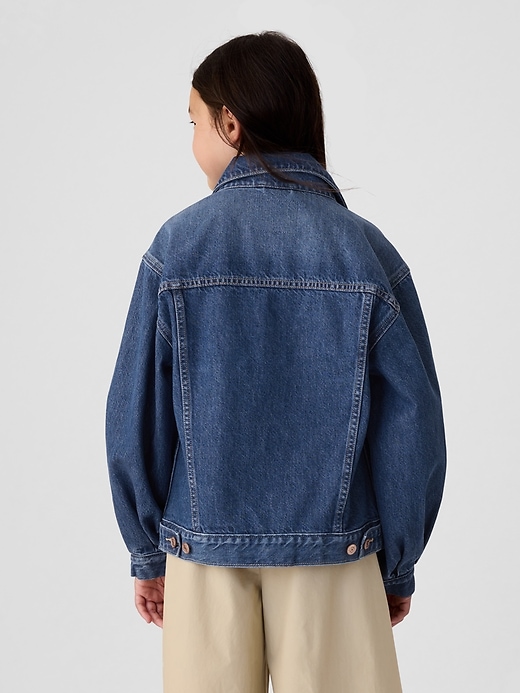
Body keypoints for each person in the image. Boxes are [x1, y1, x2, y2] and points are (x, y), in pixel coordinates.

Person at [106, 31, 446, 693]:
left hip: (203, 552)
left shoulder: (178, 247)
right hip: (338, 552)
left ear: (230, 124)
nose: (193, 141)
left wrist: (147, 549)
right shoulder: (365, 251)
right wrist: (397, 559)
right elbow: (414, 426)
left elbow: (134, 414)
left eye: (194, 122)